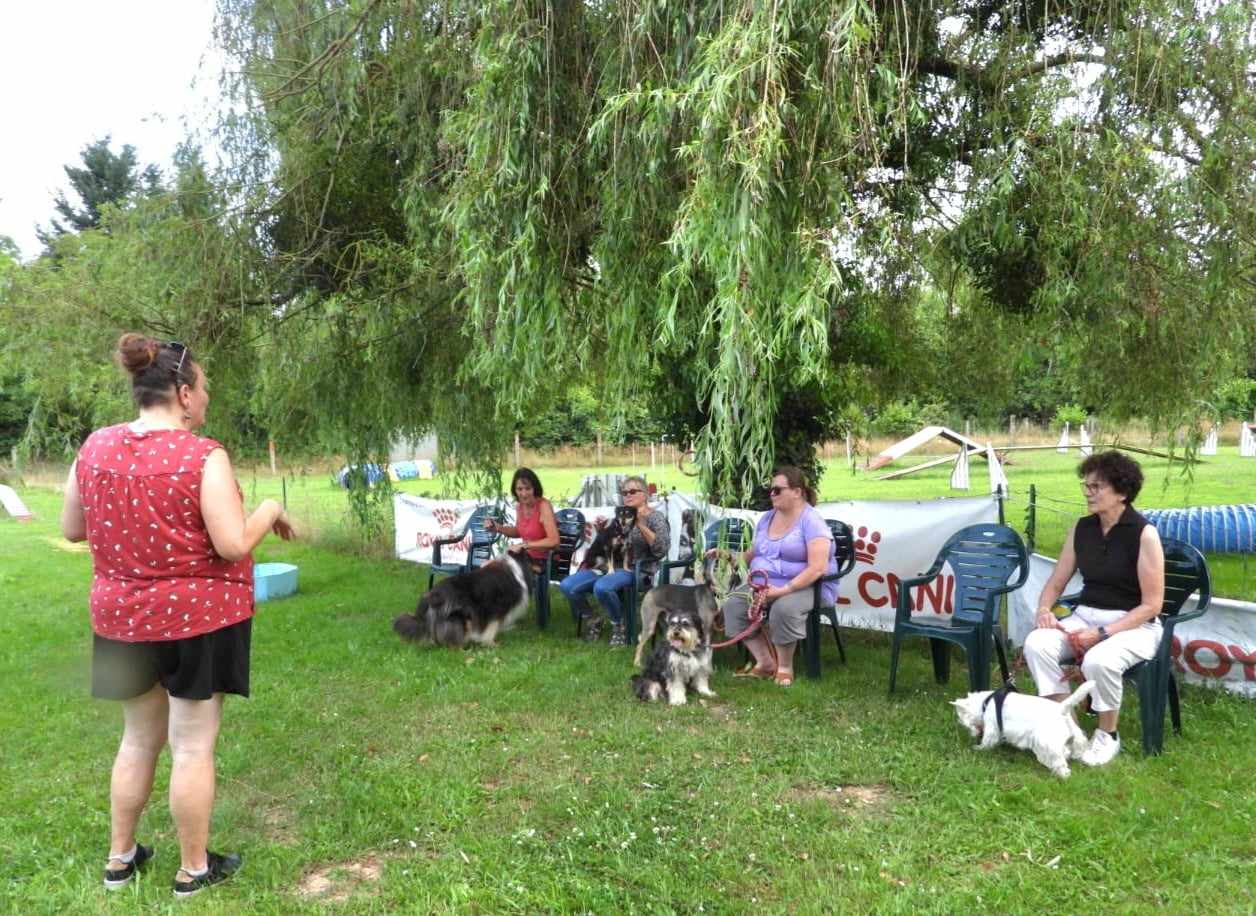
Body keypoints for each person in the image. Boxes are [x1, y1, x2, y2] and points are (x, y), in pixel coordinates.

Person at [60, 335, 294, 897]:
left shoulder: (94, 447)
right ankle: (193, 870)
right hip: (196, 622)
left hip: (120, 621)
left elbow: (72, 529)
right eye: (204, 388)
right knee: (191, 746)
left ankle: (120, 860)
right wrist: (269, 508)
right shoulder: (202, 456)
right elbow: (232, 544)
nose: (207, 398)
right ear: (184, 394)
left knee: (138, 740)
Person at [1022, 450, 1165, 766]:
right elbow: (1056, 583)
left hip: (1135, 625)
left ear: (1122, 492)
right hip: (1085, 616)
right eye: (1086, 485)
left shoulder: (1144, 534)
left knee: (1099, 660)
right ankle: (1067, 728)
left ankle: (1107, 735)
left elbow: (1152, 605)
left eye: (1096, 486)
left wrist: (1101, 634)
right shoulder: (1082, 528)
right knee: (1037, 644)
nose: (1087, 492)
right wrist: (1044, 609)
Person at [713, 466, 837, 688]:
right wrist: (728, 556)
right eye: (770, 490)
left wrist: (782, 591)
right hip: (764, 585)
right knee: (733, 605)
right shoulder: (767, 518)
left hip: (807, 586)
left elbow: (818, 568)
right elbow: (752, 554)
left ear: (797, 492)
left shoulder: (812, 521)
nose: (771, 494)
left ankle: (785, 667)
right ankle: (765, 662)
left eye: (777, 490)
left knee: (783, 608)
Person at [559, 475, 669, 647]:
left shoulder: (656, 518)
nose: (628, 495)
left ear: (645, 494)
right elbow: (607, 544)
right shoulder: (620, 515)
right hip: (608, 566)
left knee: (602, 587)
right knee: (567, 585)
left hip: (638, 570)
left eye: (633, 491)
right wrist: (601, 530)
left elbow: (661, 549)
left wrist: (640, 525)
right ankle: (593, 619)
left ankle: (619, 626)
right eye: (624, 493)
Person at [484, 467, 559, 574]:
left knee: (495, 571)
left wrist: (524, 545)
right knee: (485, 565)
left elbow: (554, 541)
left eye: (527, 488)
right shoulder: (519, 506)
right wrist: (497, 527)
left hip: (543, 560)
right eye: (519, 489)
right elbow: (519, 531)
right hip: (524, 557)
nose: (523, 493)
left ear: (535, 488)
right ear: (514, 490)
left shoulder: (543, 506)